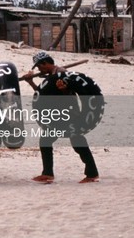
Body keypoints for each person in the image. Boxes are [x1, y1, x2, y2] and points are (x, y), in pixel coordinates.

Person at [23, 51, 99, 184]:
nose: (39, 70)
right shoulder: (50, 77)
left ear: (45, 63)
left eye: (40, 66)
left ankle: (91, 174)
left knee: (76, 142)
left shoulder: (61, 73)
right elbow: (42, 95)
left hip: (69, 114)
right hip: (58, 115)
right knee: (49, 141)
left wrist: (64, 89)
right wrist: (31, 82)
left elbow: (68, 92)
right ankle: (48, 173)